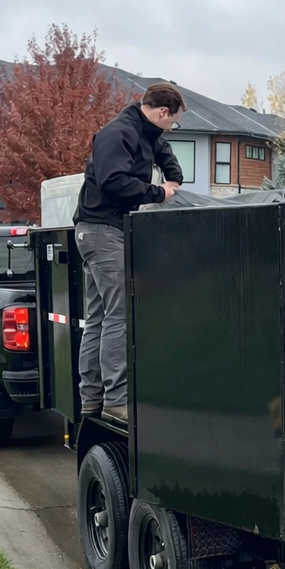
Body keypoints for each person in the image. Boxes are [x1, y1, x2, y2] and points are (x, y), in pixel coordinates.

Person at [74, 83, 186, 421]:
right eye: (174, 121)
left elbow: (159, 147)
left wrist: (174, 176)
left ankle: (92, 399)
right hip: (103, 231)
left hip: (98, 231)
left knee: (97, 318)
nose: (171, 127)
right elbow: (114, 182)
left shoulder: (141, 131)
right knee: (118, 315)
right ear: (163, 113)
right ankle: (116, 401)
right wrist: (158, 193)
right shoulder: (117, 133)